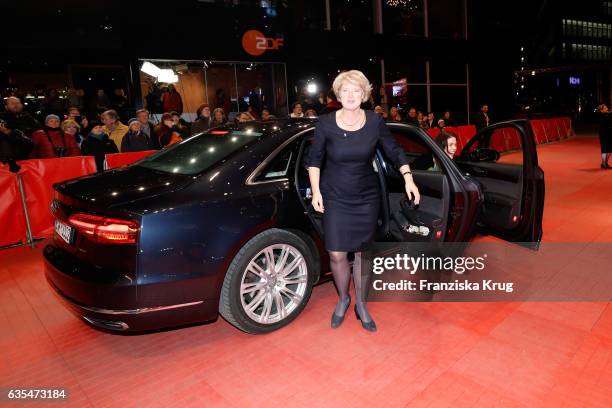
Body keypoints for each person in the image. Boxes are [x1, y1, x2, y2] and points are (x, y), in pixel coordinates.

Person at [306, 70, 420, 332]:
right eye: (345, 90)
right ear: (338, 94)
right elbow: (314, 160)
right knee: (336, 253)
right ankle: (344, 298)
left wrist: (408, 178)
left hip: (366, 197)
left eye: (356, 90)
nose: (350, 95)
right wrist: (316, 192)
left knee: (361, 254)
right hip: (334, 194)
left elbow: (394, 150)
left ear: (364, 94)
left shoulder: (374, 122)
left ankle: (362, 303)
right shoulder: (325, 123)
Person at [597, 103, 611, 169]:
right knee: (604, 149)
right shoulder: (601, 116)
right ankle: (604, 164)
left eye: (606, 107)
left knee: (610, 150)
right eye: (605, 108)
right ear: (601, 110)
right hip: (603, 134)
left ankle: (605, 163)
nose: (606, 108)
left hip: (609, 133)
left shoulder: (608, 114)